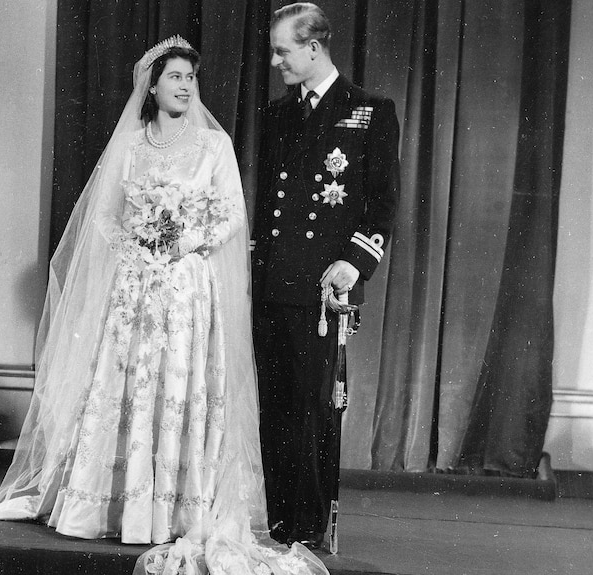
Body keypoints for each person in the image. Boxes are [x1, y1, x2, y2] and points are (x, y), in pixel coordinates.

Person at [0, 36, 328, 575]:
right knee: (131, 383)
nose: (186, 86)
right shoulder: (130, 146)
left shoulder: (213, 148)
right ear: (153, 84)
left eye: (191, 78)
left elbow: (233, 216)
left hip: (189, 286)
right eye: (175, 77)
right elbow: (103, 215)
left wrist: (182, 244)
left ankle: (176, 508)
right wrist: (136, 248)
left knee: (180, 385)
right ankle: (119, 505)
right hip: (136, 287)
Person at [252, 2, 401, 551]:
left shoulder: (369, 110)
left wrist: (356, 263)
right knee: (275, 403)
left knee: (314, 408)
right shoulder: (277, 115)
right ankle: (279, 520)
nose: (275, 62)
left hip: (322, 290)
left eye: (283, 51)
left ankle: (310, 527)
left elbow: (382, 205)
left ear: (314, 47)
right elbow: (271, 203)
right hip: (273, 285)